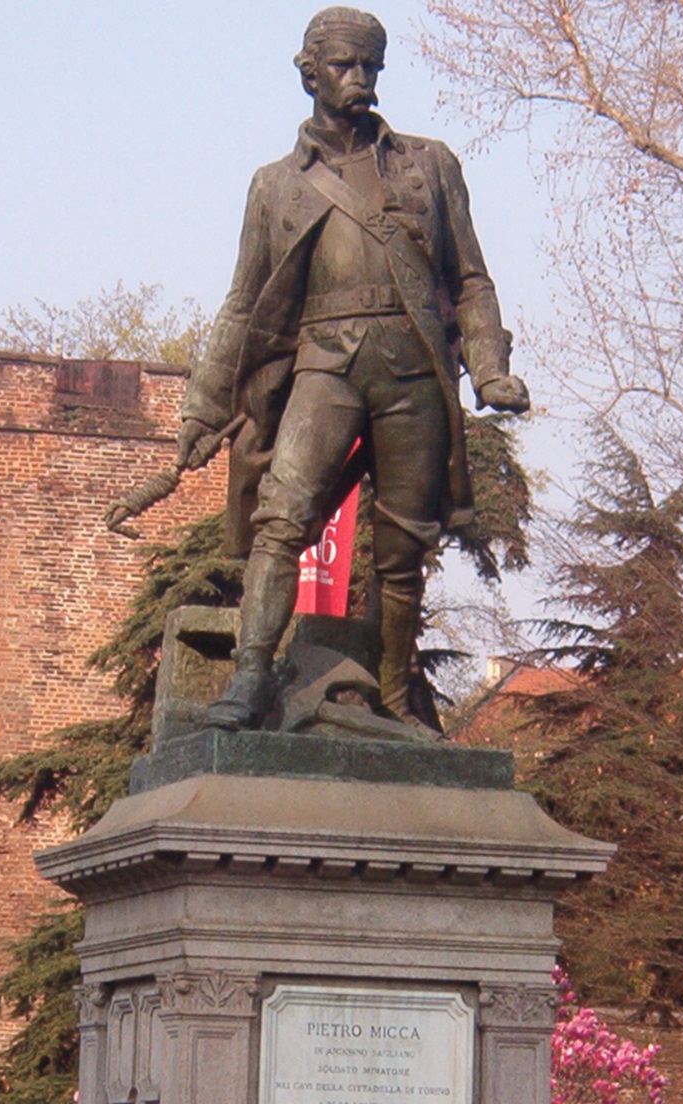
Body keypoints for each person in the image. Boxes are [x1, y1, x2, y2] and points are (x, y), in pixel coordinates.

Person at [177, 5, 529, 731]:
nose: (360, 78)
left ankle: (397, 698)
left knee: (403, 546)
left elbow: (471, 280)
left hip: (413, 370)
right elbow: (243, 302)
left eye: (371, 65)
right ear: (308, 74)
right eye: (343, 65)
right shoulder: (276, 185)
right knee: (281, 516)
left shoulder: (430, 165)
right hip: (326, 365)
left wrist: (489, 369)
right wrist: (203, 407)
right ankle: (250, 680)